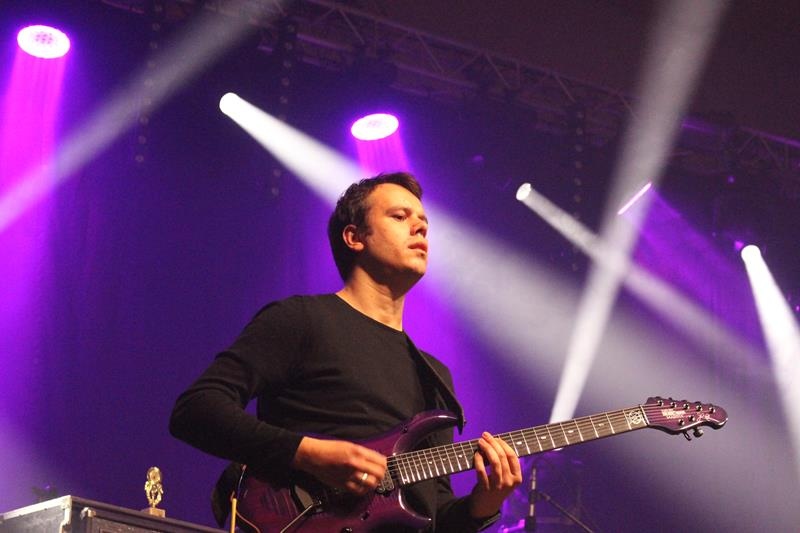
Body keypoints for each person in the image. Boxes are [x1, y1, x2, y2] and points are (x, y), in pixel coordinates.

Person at [169, 172, 522, 532]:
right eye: (400, 216)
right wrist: (309, 454)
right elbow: (196, 410)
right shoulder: (302, 319)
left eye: (424, 223)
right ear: (354, 237)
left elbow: (433, 516)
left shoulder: (435, 376)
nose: (419, 228)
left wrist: (483, 505)